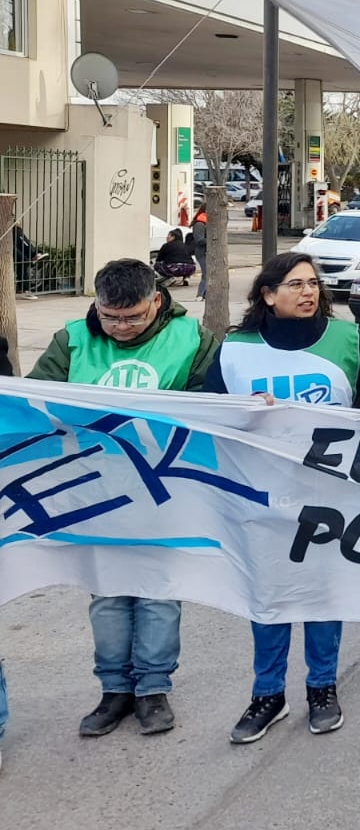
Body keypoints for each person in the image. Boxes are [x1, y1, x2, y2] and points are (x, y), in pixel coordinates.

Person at [28, 258, 219, 738]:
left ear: (157, 300)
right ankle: (114, 689)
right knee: (108, 593)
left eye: (133, 317)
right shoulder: (72, 339)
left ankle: (153, 690)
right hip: (93, 489)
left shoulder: (191, 339)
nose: (120, 327)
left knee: (158, 591)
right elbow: (34, 402)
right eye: (110, 317)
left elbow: (215, 406)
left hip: (164, 489)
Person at [207, 252, 360, 744]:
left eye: (313, 284)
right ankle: (268, 694)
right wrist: (239, 409)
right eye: (296, 284)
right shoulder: (235, 348)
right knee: (269, 597)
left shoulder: (346, 339)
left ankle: (322, 687)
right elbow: (208, 412)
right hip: (259, 496)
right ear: (268, 293)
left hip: (327, 494)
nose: (309, 292)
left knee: (323, 595)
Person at [190, 204, 209, 299]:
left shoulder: (207, 223)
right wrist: (212, 239)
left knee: (208, 274)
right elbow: (199, 240)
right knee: (206, 273)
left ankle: (204, 294)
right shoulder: (200, 224)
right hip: (202, 253)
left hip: (207, 253)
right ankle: (200, 294)